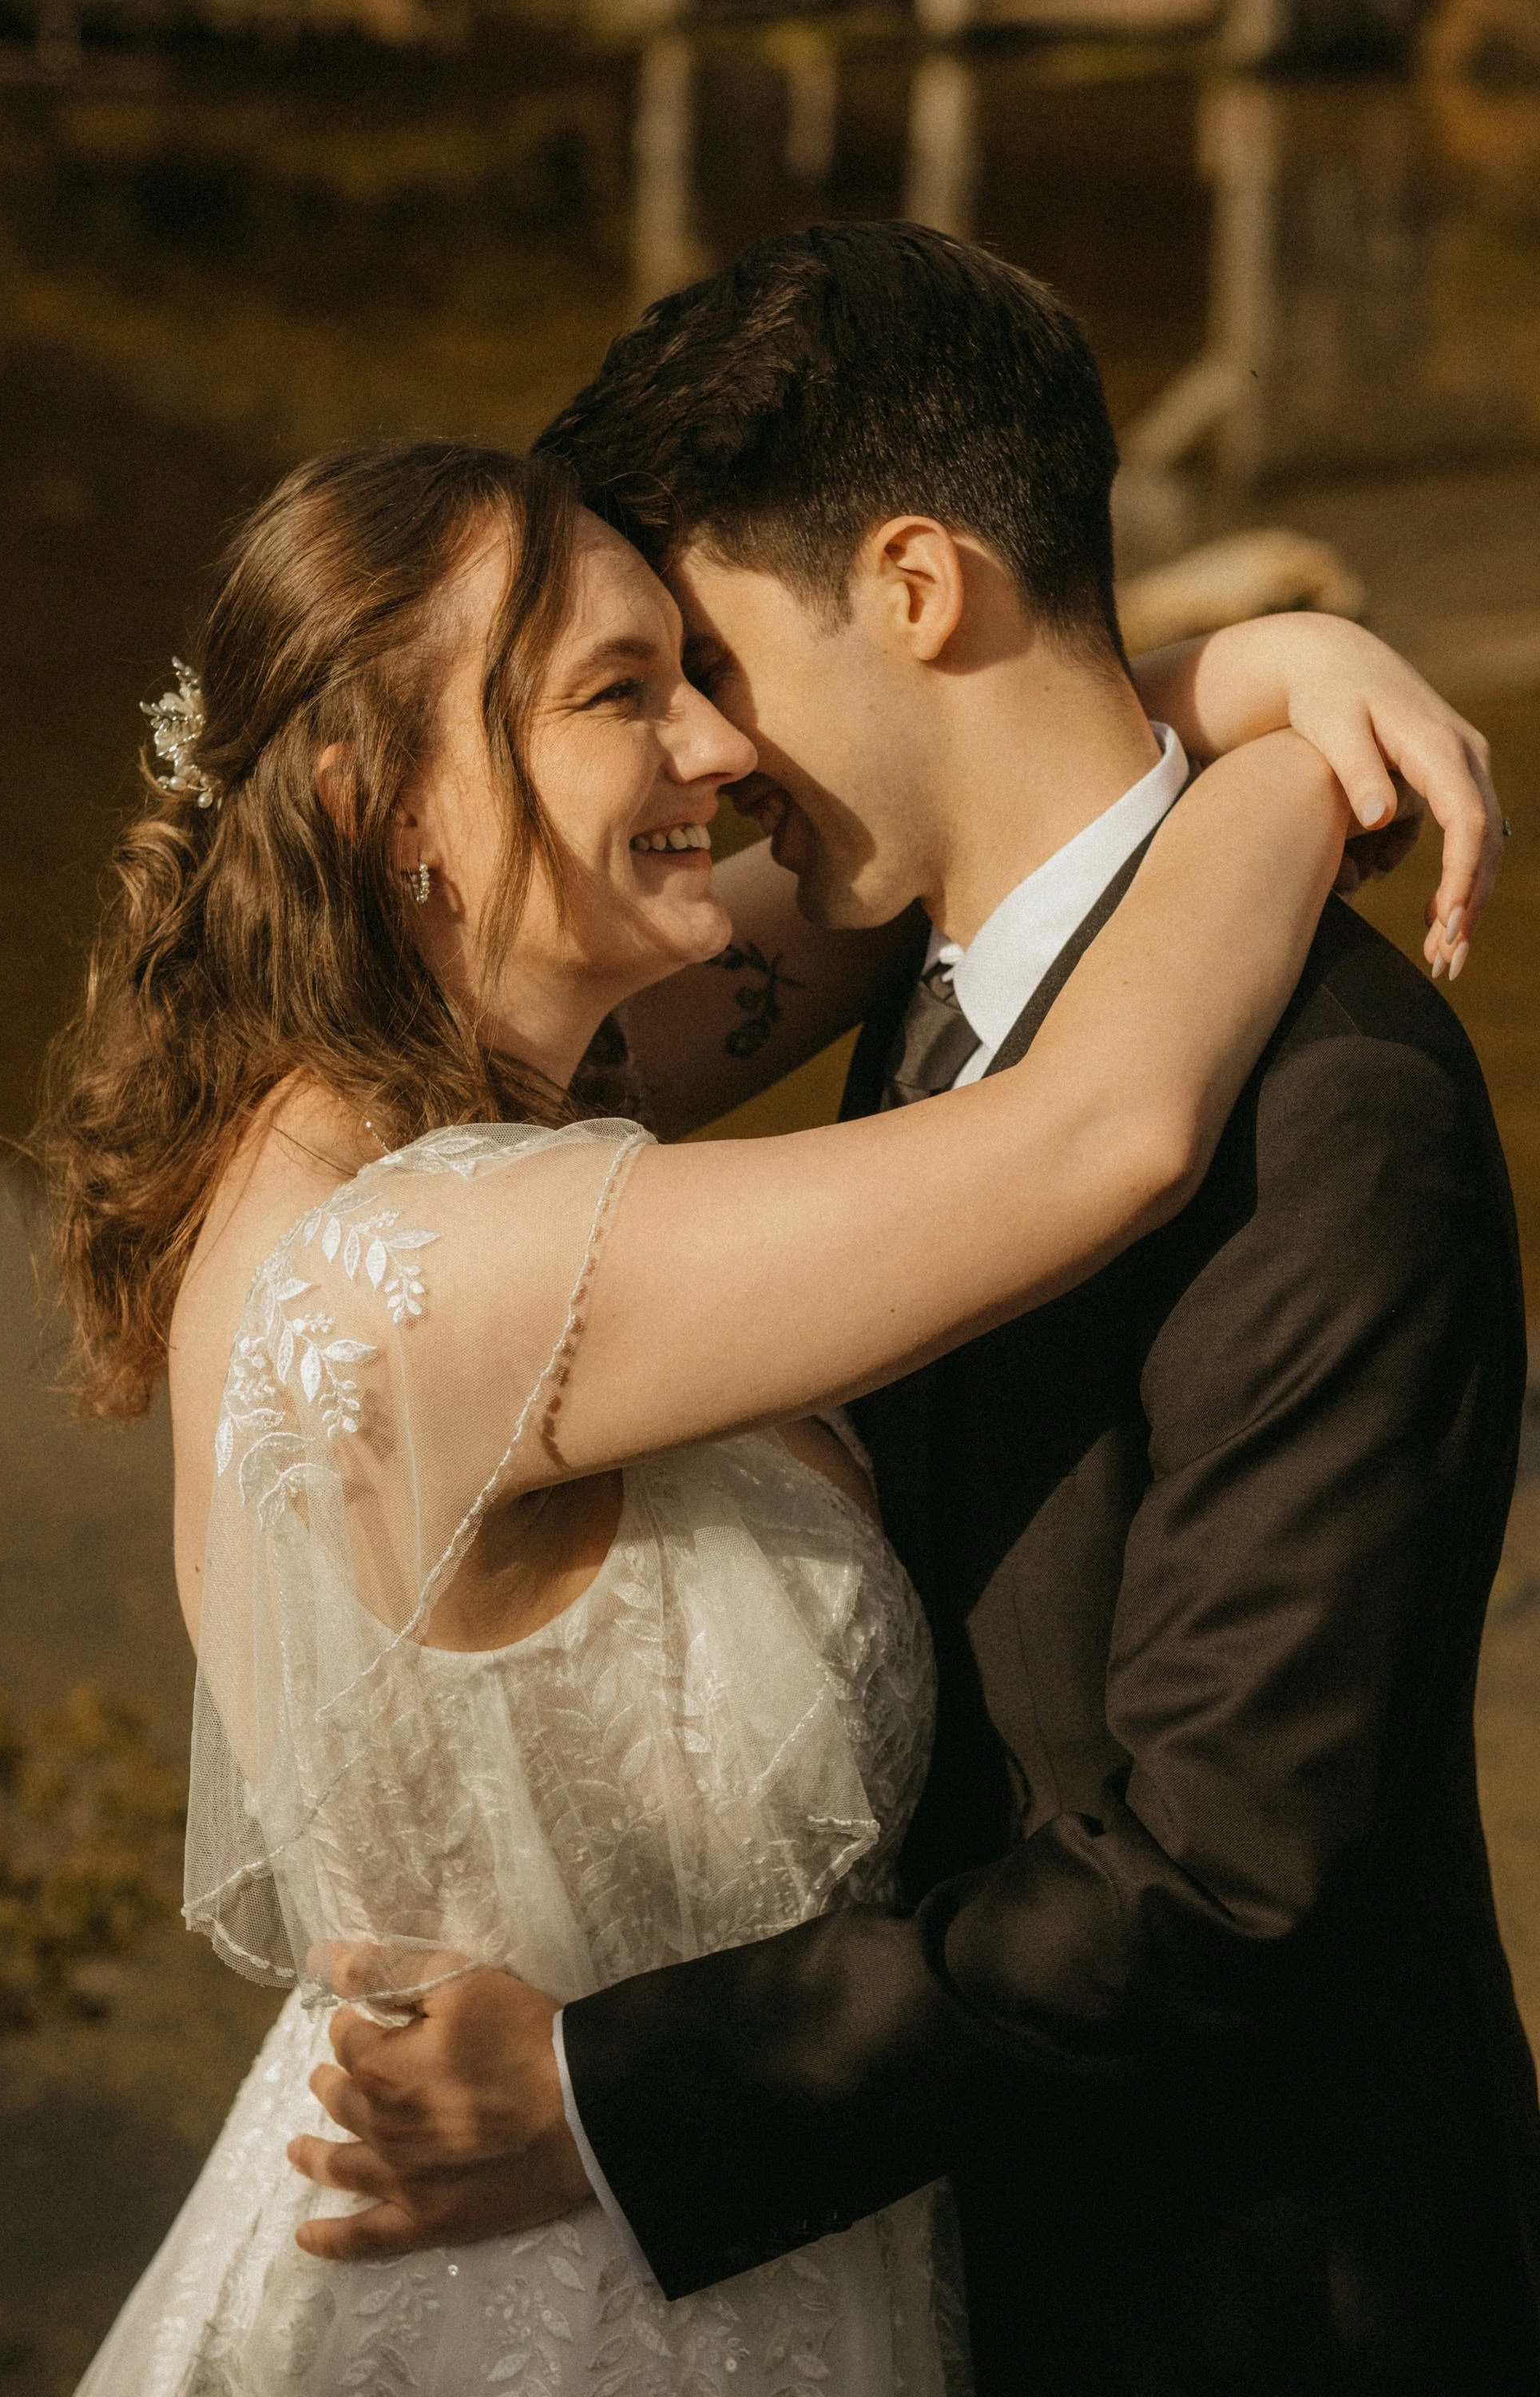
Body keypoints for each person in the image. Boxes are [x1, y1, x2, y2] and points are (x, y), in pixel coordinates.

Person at [284, 229, 1538, 2396]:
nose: (702, 749)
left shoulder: (1336, 1112)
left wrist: (607, 2089)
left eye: (715, 659)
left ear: (918, 588)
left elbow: (1231, 1881)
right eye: (635, 685)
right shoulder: (945, 993)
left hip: (1252, 2310)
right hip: (953, 2256)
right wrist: (1237, 679)